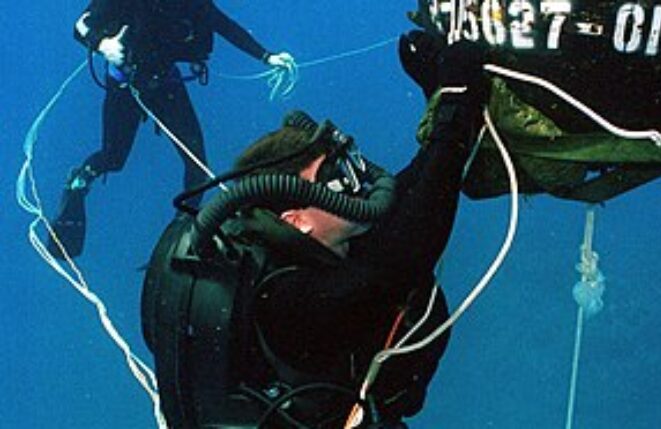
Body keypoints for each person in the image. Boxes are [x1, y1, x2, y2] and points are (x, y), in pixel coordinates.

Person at [141, 33, 487, 428]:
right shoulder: (287, 301)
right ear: (296, 219)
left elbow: (410, 203)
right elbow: (406, 254)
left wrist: (442, 98)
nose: (355, 183)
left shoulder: (308, 248)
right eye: (331, 177)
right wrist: (455, 114)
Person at [48, 0, 292, 258]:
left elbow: (223, 25)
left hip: (165, 82)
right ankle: (80, 180)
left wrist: (267, 56)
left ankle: (181, 234)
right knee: (113, 158)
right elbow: (81, 26)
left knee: (197, 164)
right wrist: (103, 45)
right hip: (125, 85)